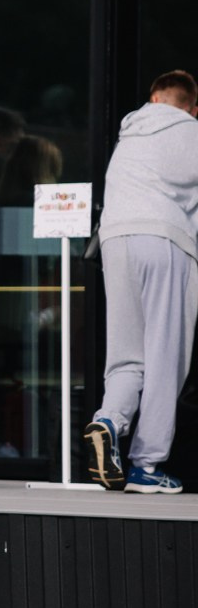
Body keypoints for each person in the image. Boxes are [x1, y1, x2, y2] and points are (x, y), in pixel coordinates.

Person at [88, 70, 198, 495]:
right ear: (192, 106)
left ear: (153, 97)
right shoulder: (190, 132)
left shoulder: (130, 135)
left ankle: (109, 420)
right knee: (165, 354)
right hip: (165, 239)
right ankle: (146, 465)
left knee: (127, 354)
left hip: (115, 239)